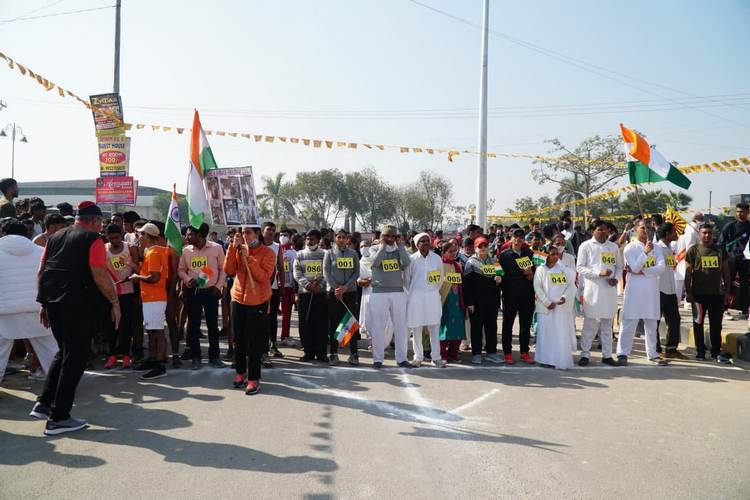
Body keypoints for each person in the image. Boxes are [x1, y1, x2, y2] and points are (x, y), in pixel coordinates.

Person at [34, 201, 121, 435]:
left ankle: (43, 403)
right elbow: (99, 273)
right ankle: (59, 417)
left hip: (53, 302)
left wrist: (43, 303)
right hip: (78, 306)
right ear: (93, 220)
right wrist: (114, 302)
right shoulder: (92, 239)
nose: (101, 226)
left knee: (64, 352)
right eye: (100, 221)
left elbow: (42, 271)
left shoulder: (55, 236)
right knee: (75, 358)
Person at [0, 219, 59, 383]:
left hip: (4, 311)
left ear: (3, 233)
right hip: (37, 309)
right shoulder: (42, 251)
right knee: (51, 352)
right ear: (26, 233)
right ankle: (60, 386)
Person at [224, 224, 276, 395]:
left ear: (257, 233)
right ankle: (240, 373)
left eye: (248, 232)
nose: (244, 236)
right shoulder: (238, 248)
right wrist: (233, 248)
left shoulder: (268, 253)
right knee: (238, 339)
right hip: (238, 299)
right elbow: (229, 270)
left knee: (254, 342)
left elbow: (264, 277)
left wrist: (249, 258)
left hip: (258, 301)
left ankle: (254, 378)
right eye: (242, 233)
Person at [617, 219, 667, 366]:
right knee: (629, 322)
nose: (646, 231)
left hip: (651, 290)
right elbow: (634, 267)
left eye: (648, 228)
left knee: (652, 324)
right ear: (635, 229)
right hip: (634, 290)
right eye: (642, 228)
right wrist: (645, 253)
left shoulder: (657, 248)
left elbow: (661, 268)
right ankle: (622, 353)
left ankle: (652, 354)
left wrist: (644, 272)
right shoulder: (630, 248)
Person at [178, 222, 227, 370]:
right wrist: (187, 280)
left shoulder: (217, 248)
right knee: (193, 326)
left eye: (190, 234)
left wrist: (218, 287)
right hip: (194, 292)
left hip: (211, 292)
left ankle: (215, 356)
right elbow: (181, 270)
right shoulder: (186, 251)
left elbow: (223, 269)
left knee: (212, 326)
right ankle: (196, 357)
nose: (187, 236)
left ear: (199, 235)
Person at [576, 220, 622, 366]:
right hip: (593, 290)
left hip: (609, 291)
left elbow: (619, 267)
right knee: (590, 324)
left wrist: (615, 278)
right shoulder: (586, 246)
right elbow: (580, 268)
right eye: (600, 229)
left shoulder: (613, 247)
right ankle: (585, 355)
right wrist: (598, 273)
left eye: (606, 230)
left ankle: (607, 355)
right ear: (592, 231)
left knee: (607, 325)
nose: (603, 232)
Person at [685, 223, 732, 362]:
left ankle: (715, 351)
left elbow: (726, 273)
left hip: (716, 295)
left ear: (713, 234)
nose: (707, 235)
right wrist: (688, 292)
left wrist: (727, 293)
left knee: (716, 324)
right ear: (699, 234)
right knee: (698, 323)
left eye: (709, 233)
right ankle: (700, 351)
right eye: (704, 232)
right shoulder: (693, 251)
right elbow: (688, 274)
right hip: (698, 295)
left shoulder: (720, 250)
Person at [130, 222, 170, 379]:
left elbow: (154, 277)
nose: (139, 237)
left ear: (148, 236)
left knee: (157, 331)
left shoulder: (153, 253)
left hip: (155, 298)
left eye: (141, 234)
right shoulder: (151, 251)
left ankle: (159, 364)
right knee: (152, 331)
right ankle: (153, 359)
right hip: (151, 297)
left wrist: (136, 277)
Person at [368, 225, 412, 369]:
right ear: (381, 237)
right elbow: (375, 263)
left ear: (396, 237)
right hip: (379, 292)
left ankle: (402, 358)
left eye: (392, 236)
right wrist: (381, 247)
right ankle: (378, 359)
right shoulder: (374, 249)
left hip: (398, 292)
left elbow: (406, 262)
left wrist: (400, 247)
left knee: (401, 327)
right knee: (378, 327)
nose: (389, 239)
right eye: (386, 236)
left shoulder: (399, 250)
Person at [533, 246, 577, 369]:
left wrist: (565, 297)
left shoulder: (564, 270)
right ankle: (545, 359)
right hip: (545, 308)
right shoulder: (541, 269)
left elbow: (571, 286)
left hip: (560, 308)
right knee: (545, 333)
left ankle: (558, 359)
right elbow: (538, 287)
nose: (555, 256)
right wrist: (547, 302)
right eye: (552, 254)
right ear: (546, 255)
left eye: (556, 254)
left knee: (559, 334)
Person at [406, 232, 445, 368]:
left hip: (432, 297)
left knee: (434, 327)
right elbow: (407, 280)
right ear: (417, 245)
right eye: (422, 241)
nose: (425, 243)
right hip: (416, 298)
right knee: (417, 328)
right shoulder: (411, 260)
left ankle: (436, 358)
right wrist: (411, 296)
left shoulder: (436, 258)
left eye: (427, 240)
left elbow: (441, 278)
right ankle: (418, 357)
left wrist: (433, 291)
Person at [323, 229, 361, 366]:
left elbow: (356, 272)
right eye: (339, 237)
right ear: (335, 238)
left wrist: (346, 287)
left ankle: (354, 354)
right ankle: (333, 353)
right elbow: (326, 271)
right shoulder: (329, 253)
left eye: (344, 237)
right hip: (334, 293)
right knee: (335, 322)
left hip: (350, 292)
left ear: (347, 239)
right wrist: (336, 288)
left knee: (350, 322)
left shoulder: (353, 253)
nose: (341, 239)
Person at [463, 237, 503, 364]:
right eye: (480, 247)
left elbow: (502, 278)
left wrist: (500, 279)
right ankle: (476, 353)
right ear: (475, 248)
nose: (483, 249)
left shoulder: (495, 261)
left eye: (485, 246)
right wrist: (469, 302)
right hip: (476, 302)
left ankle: (491, 352)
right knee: (476, 328)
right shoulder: (471, 262)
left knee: (492, 327)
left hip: (492, 301)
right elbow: (467, 285)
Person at [103, 224, 138, 369]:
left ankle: (126, 355)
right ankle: (111, 355)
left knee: (126, 324)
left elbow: (139, 269)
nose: (114, 241)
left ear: (122, 235)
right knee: (110, 325)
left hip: (127, 292)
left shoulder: (129, 247)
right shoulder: (104, 249)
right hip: (110, 293)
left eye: (117, 237)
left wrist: (130, 264)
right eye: (111, 238)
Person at [499, 228, 536, 364]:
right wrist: (521, 273)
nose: (518, 239)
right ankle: (507, 353)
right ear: (511, 238)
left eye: (521, 237)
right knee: (508, 324)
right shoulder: (504, 255)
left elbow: (537, 274)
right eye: (516, 236)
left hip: (527, 294)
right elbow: (501, 275)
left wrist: (531, 274)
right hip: (510, 295)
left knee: (525, 325)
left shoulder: (530, 253)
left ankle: (524, 352)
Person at [294, 229, 329, 362]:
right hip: (305, 294)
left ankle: (321, 353)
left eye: (313, 239)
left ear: (318, 240)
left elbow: (327, 272)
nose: (310, 241)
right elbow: (297, 273)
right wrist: (308, 285)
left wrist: (320, 287)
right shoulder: (300, 254)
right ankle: (308, 352)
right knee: (305, 323)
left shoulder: (325, 254)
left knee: (321, 324)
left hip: (321, 294)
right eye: (308, 238)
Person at [655, 223, 686, 359]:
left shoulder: (669, 248)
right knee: (655, 321)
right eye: (674, 232)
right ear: (667, 234)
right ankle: (655, 349)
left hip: (670, 289)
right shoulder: (656, 248)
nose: (676, 234)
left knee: (674, 319)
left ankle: (671, 349)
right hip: (659, 289)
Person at [719, 203, 750, 321]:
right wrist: (724, 256)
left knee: (745, 285)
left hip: (745, 261)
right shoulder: (729, 226)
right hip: (730, 260)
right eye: (737, 211)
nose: (739, 214)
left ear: (747, 212)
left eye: (742, 211)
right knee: (727, 283)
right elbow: (721, 243)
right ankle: (724, 309)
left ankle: (744, 311)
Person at [439, 241, 466, 363]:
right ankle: (442, 355)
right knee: (444, 328)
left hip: (456, 300)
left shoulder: (457, 265)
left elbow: (461, 283)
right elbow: (433, 281)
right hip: (443, 300)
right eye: (450, 252)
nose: (453, 254)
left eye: (454, 252)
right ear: (443, 252)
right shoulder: (438, 264)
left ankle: (453, 354)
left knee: (457, 328)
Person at [262, 221, 284, 365]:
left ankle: (273, 344)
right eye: (268, 229)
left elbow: (281, 267)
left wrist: (281, 285)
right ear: (263, 231)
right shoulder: (257, 246)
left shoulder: (277, 247)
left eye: (273, 230)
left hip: (274, 289)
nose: (271, 232)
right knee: (262, 319)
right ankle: (262, 349)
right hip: (259, 289)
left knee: (273, 318)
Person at [278, 230, 297, 345]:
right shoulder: (275, 249)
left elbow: (295, 272)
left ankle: (285, 335)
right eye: (281, 235)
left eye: (285, 235)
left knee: (286, 313)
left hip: (288, 286)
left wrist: (294, 289)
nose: (282, 237)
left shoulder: (293, 253)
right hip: (274, 286)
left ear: (290, 238)